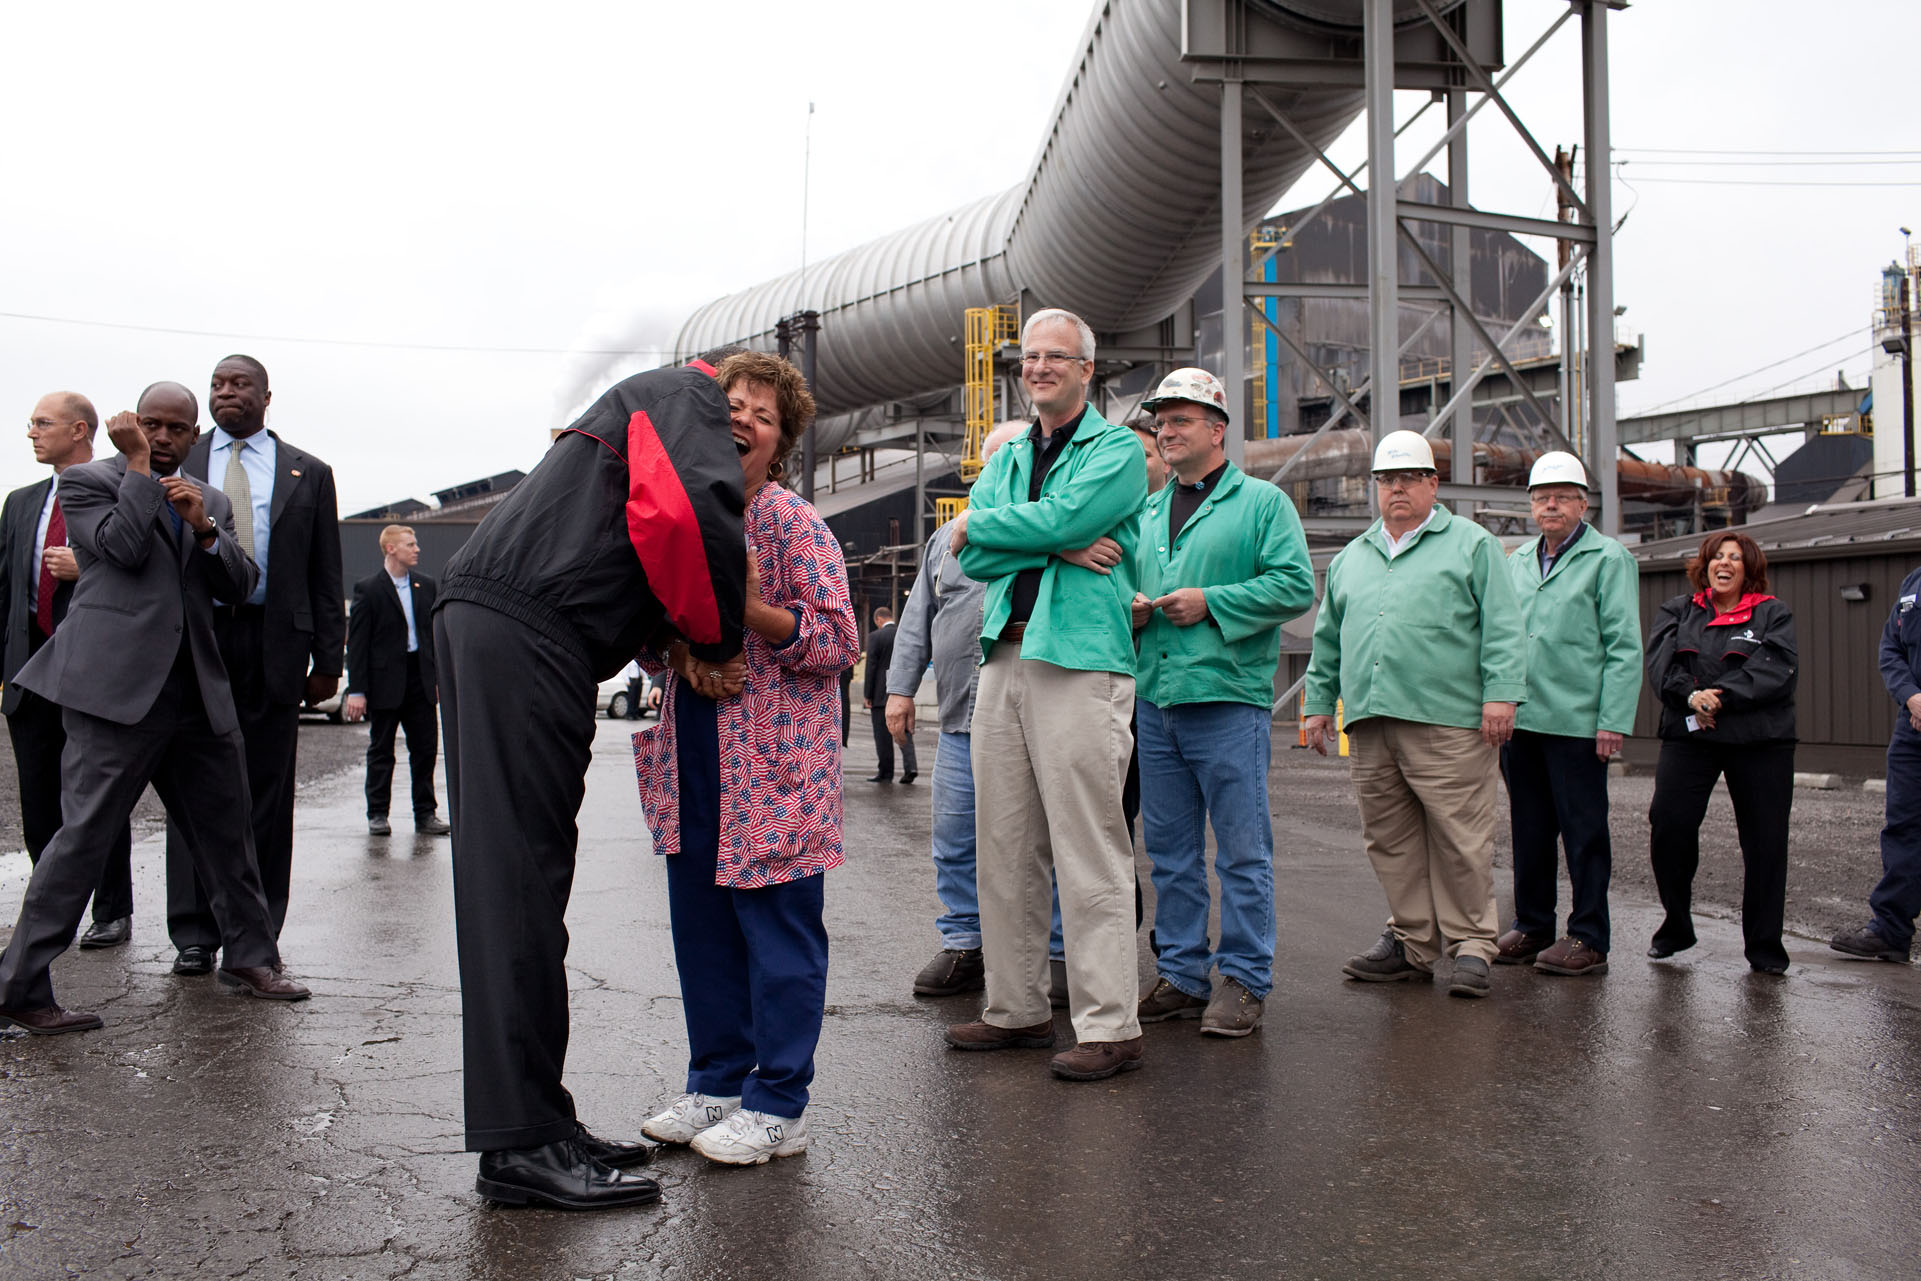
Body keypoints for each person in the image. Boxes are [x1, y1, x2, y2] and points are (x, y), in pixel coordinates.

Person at [434, 353, 747, 1210]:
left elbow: (643, 532)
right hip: (529, 633)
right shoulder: (688, 395)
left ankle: (539, 1118)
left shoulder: (638, 408)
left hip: (506, 622)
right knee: (519, 890)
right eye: (743, 409)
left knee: (523, 882)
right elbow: (687, 514)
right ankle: (520, 1145)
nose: (744, 432)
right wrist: (716, 639)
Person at [0, 384, 308, 1035]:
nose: (163, 436)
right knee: (81, 839)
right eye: (150, 425)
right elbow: (122, 549)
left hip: (195, 693)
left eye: (175, 428)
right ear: (130, 427)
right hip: (114, 695)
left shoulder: (212, 499)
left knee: (229, 837)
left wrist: (202, 527)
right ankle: (21, 984)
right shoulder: (87, 482)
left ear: (195, 436)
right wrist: (138, 469)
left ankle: (251, 957)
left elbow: (240, 584)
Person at [635, 351, 858, 1166]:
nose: (742, 420)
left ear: (780, 441)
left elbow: (838, 639)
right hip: (691, 746)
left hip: (773, 763)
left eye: (762, 415)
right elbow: (656, 646)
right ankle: (717, 1081)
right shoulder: (682, 519)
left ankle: (779, 1104)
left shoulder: (793, 521)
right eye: (731, 405)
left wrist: (755, 612)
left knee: (778, 935)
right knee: (701, 928)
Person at [942, 307, 1149, 1082]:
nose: (1037, 368)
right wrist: (1058, 540)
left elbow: (994, 529)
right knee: (1002, 844)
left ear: (1086, 370)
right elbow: (974, 557)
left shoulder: (1118, 449)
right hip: (1004, 653)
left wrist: (1005, 527)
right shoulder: (1010, 453)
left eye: (1054, 357)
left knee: (1088, 842)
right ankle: (1016, 1007)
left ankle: (1109, 1022)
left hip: (1080, 657)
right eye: (1028, 357)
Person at [1303, 430, 1526, 999]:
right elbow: (1328, 639)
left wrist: (1501, 694)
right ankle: (1412, 942)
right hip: (1371, 720)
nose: (1396, 489)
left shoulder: (1472, 545)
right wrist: (1316, 707)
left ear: (1432, 483)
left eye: (1407, 479)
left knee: (1460, 834)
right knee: (1389, 837)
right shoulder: (1355, 556)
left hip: (1448, 718)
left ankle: (1474, 943)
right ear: (1374, 488)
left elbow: (1503, 625)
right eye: (1385, 480)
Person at [1129, 368, 1313, 1037]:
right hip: (1156, 699)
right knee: (1170, 850)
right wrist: (1133, 612)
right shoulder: (1147, 511)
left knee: (1241, 849)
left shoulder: (1261, 504)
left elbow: (1294, 586)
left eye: (1179, 420)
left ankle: (1242, 978)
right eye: (1160, 421)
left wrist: (1212, 602)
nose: (1165, 432)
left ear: (1216, 429)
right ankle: (1181, 972)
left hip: (1226, 698)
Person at [166, 355, 343, 972]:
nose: (224, 394)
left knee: (266, 788)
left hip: (274, 644)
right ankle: (194, 931)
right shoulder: (181, 462)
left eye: (238, 385)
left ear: (267, 396)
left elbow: (326, 572)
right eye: (216, 385)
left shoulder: (309, 473)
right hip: (198, 638)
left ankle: (259, 930)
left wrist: (329, 658)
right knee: (194, 784)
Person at [884, 423, 1052, 999]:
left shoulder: (1051, 527)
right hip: (959, 718)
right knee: (955, 836)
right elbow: (917, 620)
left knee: (1040, 838)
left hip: (1035, 713)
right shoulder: (947, 539)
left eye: (1012, 456)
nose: (1000, 467)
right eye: (990, 460)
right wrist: (900, 689)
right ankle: (965, 944)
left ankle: (1053, 952)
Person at [1495, 452, 1641, 977]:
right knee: (1528, 828)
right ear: (1531, 505)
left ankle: (1588, 935)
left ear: (1583, 502)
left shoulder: (1608, 559)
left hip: (1579, 722)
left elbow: (1624, 646)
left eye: (1561, 495)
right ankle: (1533, 925)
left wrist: (1612, 719)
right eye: (1540, 496)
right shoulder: (1514, 563)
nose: (1550, 503)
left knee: (1583, 832)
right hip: (1524, 718)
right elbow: (1500, 638)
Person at [2, 393, 133, 948]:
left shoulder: (119, 486)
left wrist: (89, 564)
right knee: (37, 798)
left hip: (90, 667)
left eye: (43, 423)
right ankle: (51, 908)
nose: (31, 432)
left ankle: (112, 910)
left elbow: (140, 564)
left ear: (80, 430)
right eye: (32, 423)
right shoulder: (20, 501)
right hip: (30, 670)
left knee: (95, 795)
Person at [1645, 531, 1797, 974]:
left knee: (1766, 843)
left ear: (1749, 569)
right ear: (1705, 565)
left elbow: (1776, 670)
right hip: (1690, 733)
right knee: (1668, 823)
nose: (1724, 563)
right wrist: (1693, 697)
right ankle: (1676, 924)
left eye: (1735, 558)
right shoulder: (1678, 610)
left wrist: (1720, 697)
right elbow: (1661, 665)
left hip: (1761, 741)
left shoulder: (1773, 614)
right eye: (1717, 557)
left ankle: (1765, 948)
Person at [1832, 561, 1921, 964]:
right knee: (1903, 827)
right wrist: (1911, 696)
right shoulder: (1913, 582)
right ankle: (1891, 931)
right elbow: (1891, 649)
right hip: (1913, 725)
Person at [342, 525, 447, 837]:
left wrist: (439, 678)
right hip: (385, 683)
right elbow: (357, 644)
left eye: (415, 544)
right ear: (391, 549)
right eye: (409, 544)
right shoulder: (369, 589)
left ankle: (425, 814)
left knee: (425, 749)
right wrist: (357, 690)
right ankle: (377, 814)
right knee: (381, 750)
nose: (416, 549)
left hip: (420, 680)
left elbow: (434, 637)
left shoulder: (425, 586)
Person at [862, 606, 916, 782]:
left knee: (882, 735)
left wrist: (867, 694)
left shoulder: (876, 637)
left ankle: (886, 773)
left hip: (880, 693)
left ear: (878, 620)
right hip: (902, 690)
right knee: (905, 730)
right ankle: (911, 767)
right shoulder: (903, 633)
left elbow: (871, 667)